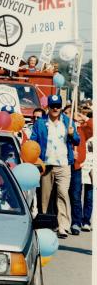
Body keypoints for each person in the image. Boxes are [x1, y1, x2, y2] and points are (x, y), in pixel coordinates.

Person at [30, 94, 80, 239]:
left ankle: (63, 226)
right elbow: (33, 141)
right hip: (46, 165)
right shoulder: (40, 123)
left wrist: (71, 134)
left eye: (58, 106)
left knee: (63, 194)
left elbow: (77, 141)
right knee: (45, 197)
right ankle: (46, 225)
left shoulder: (68, 121)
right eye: (53, 106)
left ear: (61, 107)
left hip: (64, 164)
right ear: (48, 107)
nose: (55, 108)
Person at [63, 106, 93, 235]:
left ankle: (76, 222)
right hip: (63, 165)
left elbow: (93, 127)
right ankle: (60, 222)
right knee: (61, 194)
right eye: (66, 113)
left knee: (75, 195)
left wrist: (84, 117)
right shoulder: (61, 128)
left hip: (76, 167)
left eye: (71, 113)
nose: (68, 115)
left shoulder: (81, 130)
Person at [81, 138, 93, 231]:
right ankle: (76, 220)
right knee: (76, 197)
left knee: (89, 198)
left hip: (92, 168)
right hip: (81, 168)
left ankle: (86, 221)